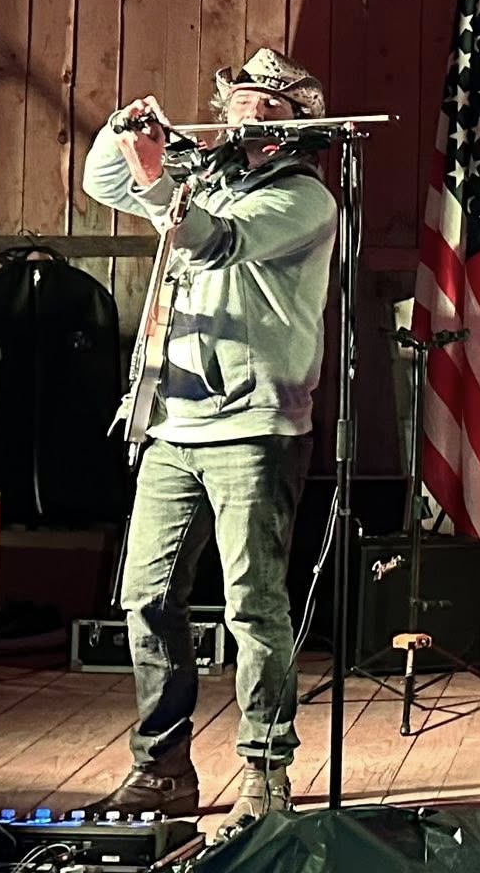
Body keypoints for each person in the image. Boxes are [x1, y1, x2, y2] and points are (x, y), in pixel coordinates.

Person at [79, 49, 338, 836]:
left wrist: (158, 181)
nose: (247, 112)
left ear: (297, 126)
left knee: (252, 606)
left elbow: (213, 242)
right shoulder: (205, 176)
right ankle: (162, 768)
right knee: (147, 596)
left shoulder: (304, 197)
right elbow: (104, 182)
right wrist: (125, 130)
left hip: (255, 427)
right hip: (174, 423)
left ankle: (266, 770)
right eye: (239, 100)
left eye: (269, 104)